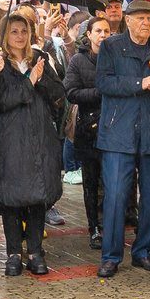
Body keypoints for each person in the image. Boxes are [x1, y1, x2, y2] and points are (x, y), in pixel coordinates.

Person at [95, 0, 150, 277]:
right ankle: (111, 255)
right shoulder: (110, 47)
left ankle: (143, 250)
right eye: (140, 18)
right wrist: (140, 83)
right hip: (118, 133)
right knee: (116, 196)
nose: (146, 23)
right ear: (127, 20)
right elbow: (104, 83)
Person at [0, 11, 65, 274]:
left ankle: (36, 252)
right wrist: (29, 80)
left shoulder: (39, 58)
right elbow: (0, 101)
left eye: (24, 31)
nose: (19, 36)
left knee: (38, 194)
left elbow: (58, 93)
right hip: (9, 139)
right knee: (12, 196)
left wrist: (39, 79)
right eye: (14, 31)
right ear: (4, 35)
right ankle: (14, 252)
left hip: (39, 136)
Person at [65, 14, 112, 234]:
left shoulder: (116, 58)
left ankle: (110, 224)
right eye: (98, 31)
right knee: (91, 183)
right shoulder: (78, 60)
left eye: (106, 31)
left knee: (111, 183)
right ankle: (93, 226)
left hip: (113, 128)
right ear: (89, 34)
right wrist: (100, 92)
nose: (102, 35)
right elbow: (71, 92)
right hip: (89, 129)